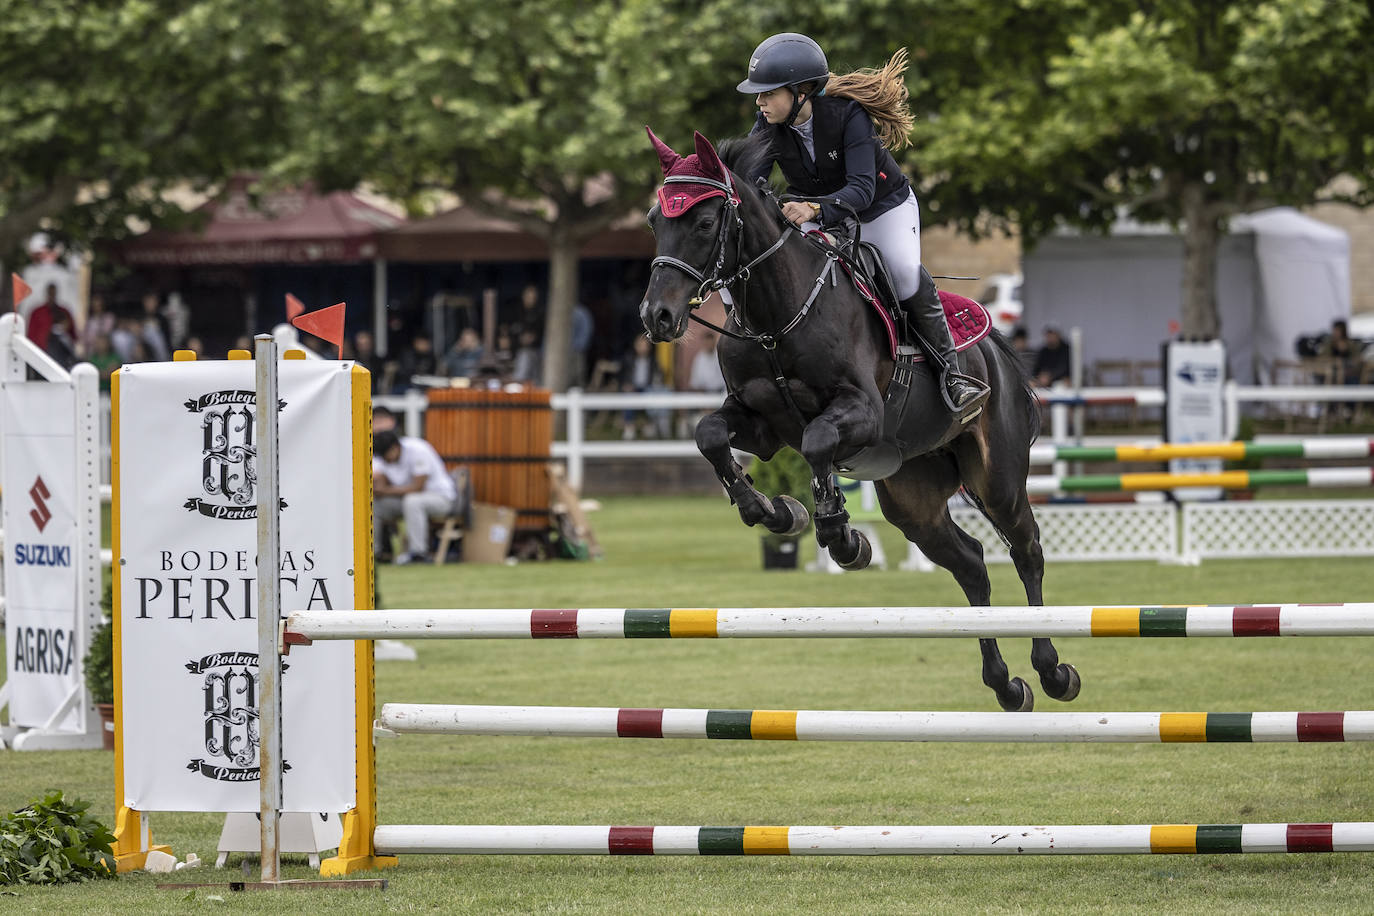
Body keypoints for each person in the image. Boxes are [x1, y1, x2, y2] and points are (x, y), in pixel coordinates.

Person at [735, 33, 988, 418]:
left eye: (768, 93)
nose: (760, 101)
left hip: (881, 208)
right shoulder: (768, 124)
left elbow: (862, 189)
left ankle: (952, 373)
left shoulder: (848, 116)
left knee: (902, 273)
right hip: (815, 212)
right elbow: (749, 182)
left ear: (801, 91)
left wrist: (814, 210)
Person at [372, 429, 458, 564]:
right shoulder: (383, 455)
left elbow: (418, 487)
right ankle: (374, 553)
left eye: (385, 456)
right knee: (375, 504)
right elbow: (379, 478)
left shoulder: (418, 450)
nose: (384, 460)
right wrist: (379, 488)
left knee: (412, 501)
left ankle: (418, 553)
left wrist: (385, 490)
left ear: (394, 448)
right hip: (406, 500)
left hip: (441, 498)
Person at [25, 284, 75, 353]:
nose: (52, 296)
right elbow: (31, 334)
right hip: (40, 351)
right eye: (50, 293)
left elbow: (73, 335)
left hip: (60, 353)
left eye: (53, 293)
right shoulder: (37, 312)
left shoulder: (64, 312)